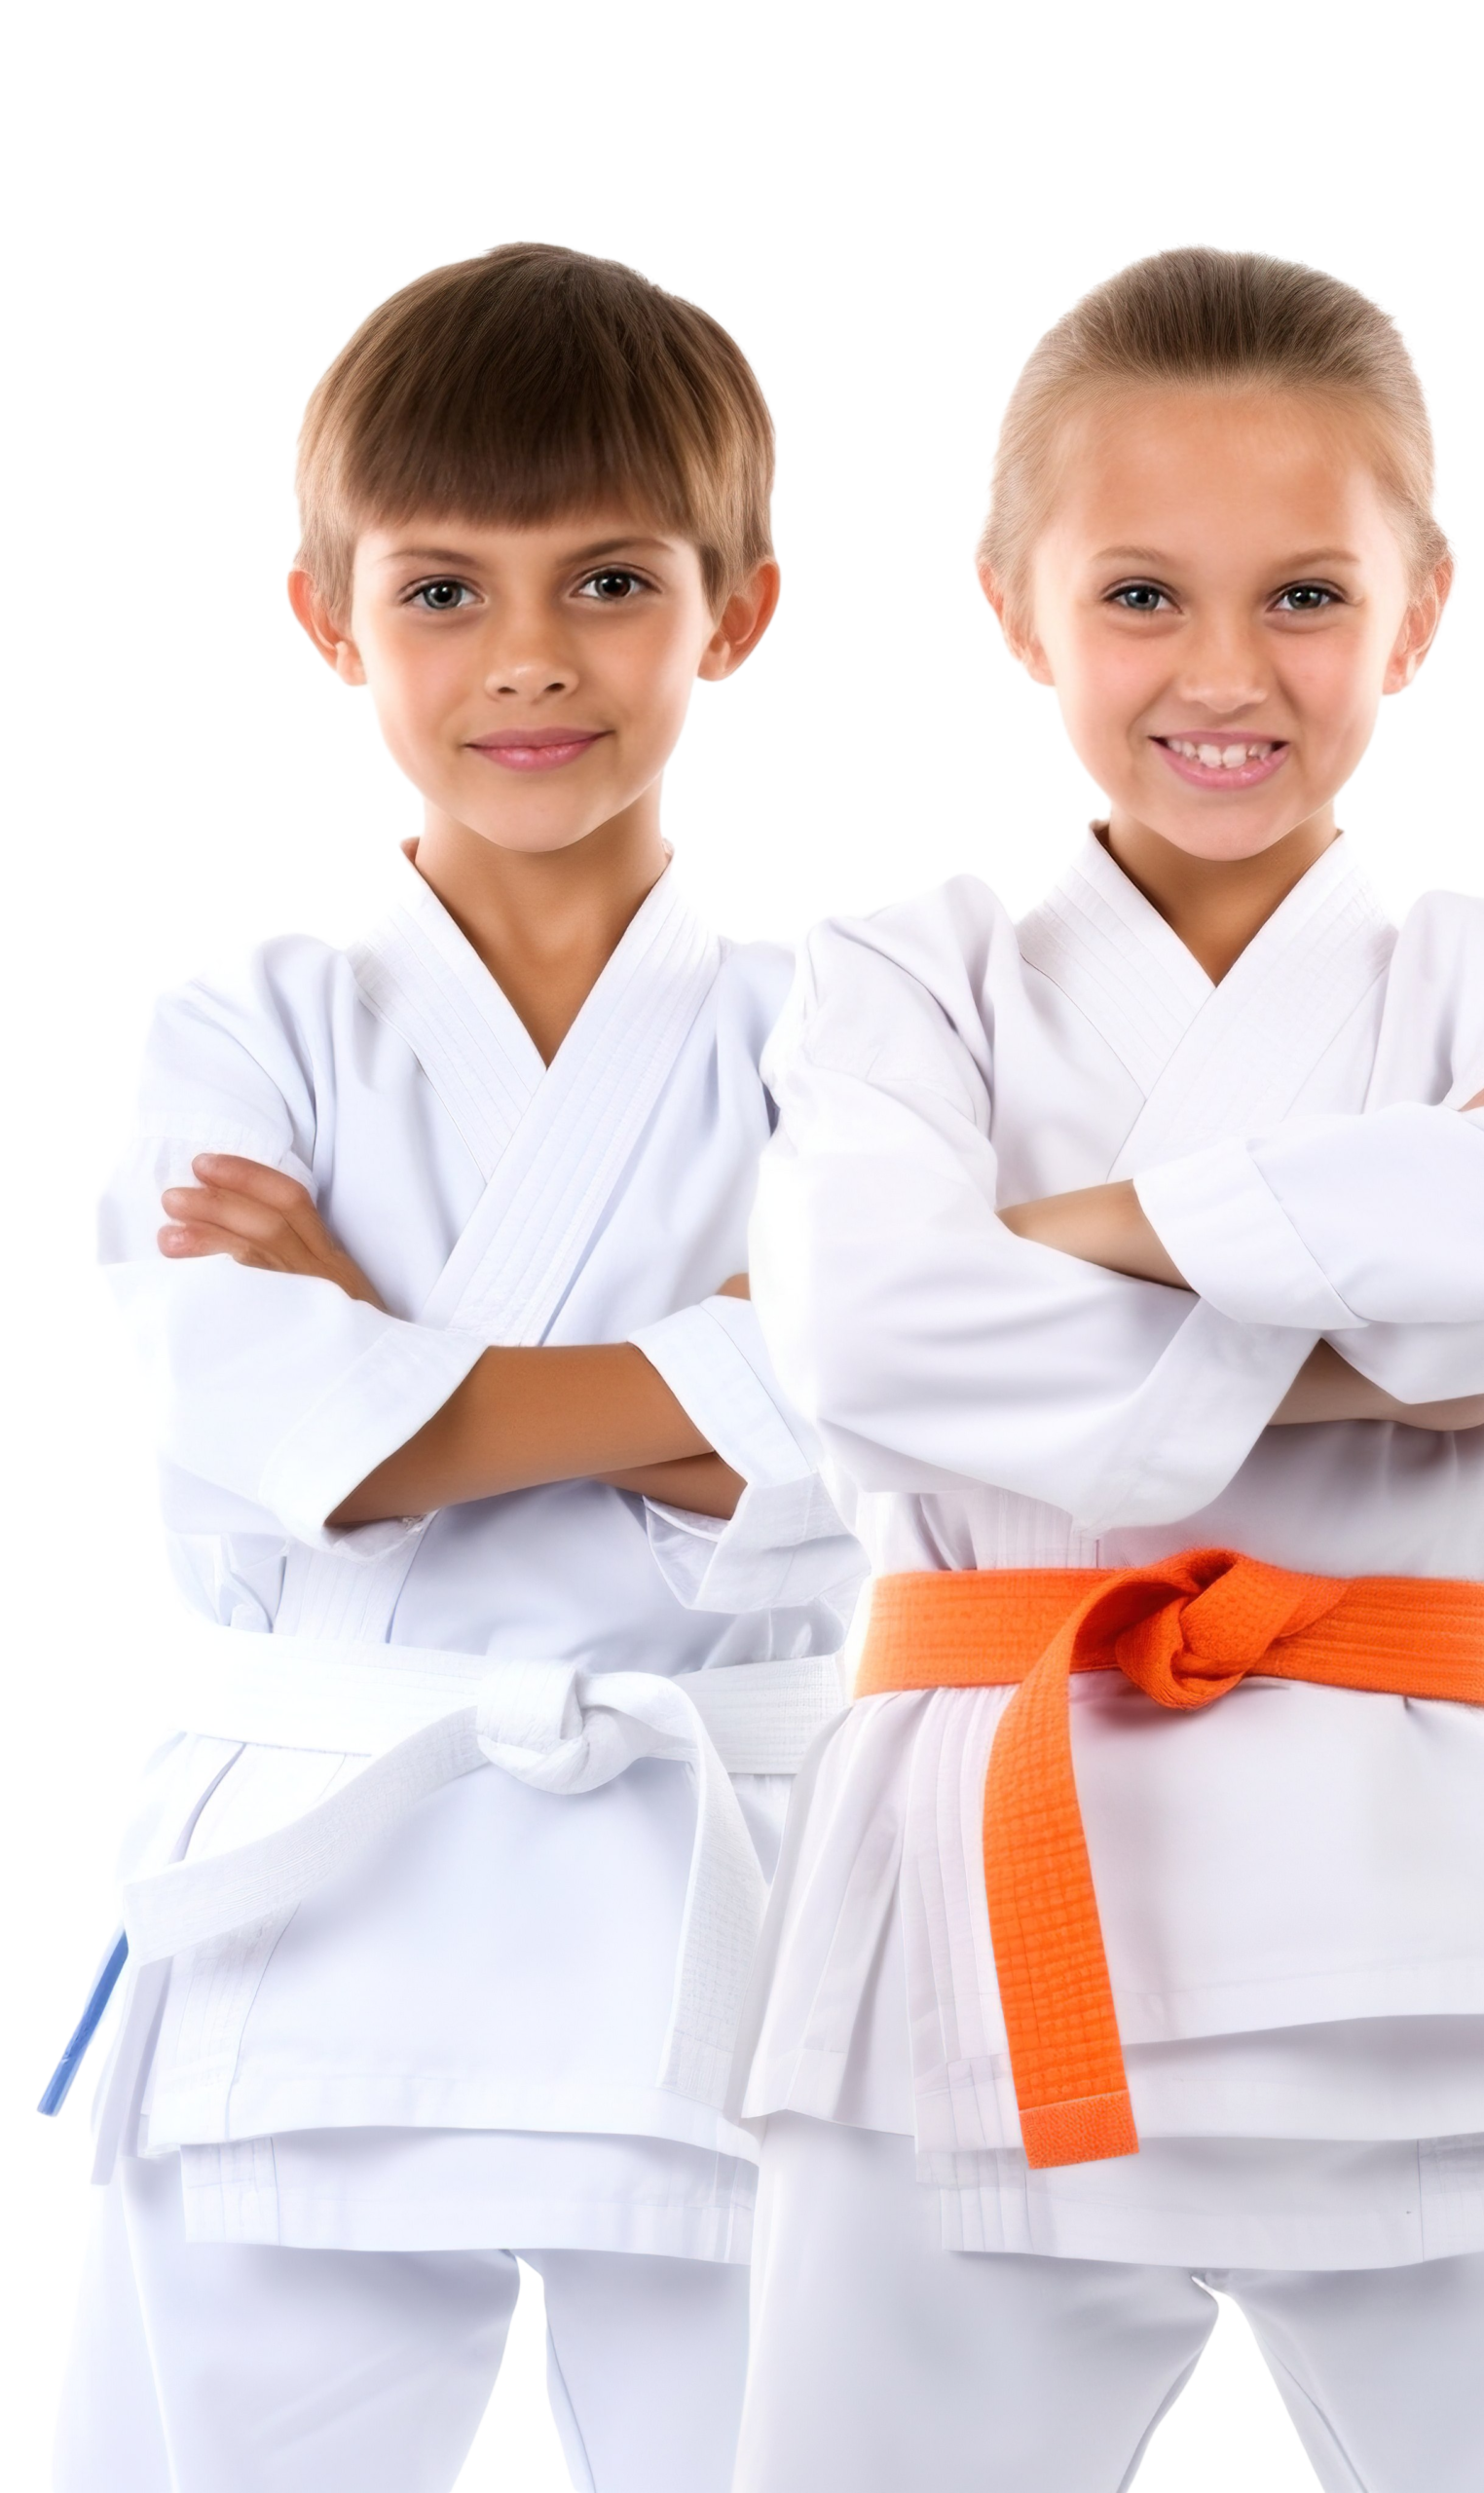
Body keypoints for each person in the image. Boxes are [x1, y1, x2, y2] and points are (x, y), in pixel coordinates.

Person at [730, 242, 1484, 2492]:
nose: (1224, 674)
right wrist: (1386, 1347)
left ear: (1420, 609)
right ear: (1013, 603)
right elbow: (857, 1325)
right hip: (971, 1897)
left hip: (1427, 1917)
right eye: (1142, 594)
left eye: (1304, 596)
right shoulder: (903, 973)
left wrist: (1059, 1237)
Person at [47, 240, 861, 2493]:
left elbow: (890, 1427)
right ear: (327, 618)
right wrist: (711, 1378)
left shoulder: (846, 1024)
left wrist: (407, 1366)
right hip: (316, 1896)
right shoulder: (246, 1025)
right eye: (441, 590)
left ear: (734, 611)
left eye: (608, 580)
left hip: (731, 1909)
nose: (527, 658)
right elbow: (278, 1434)